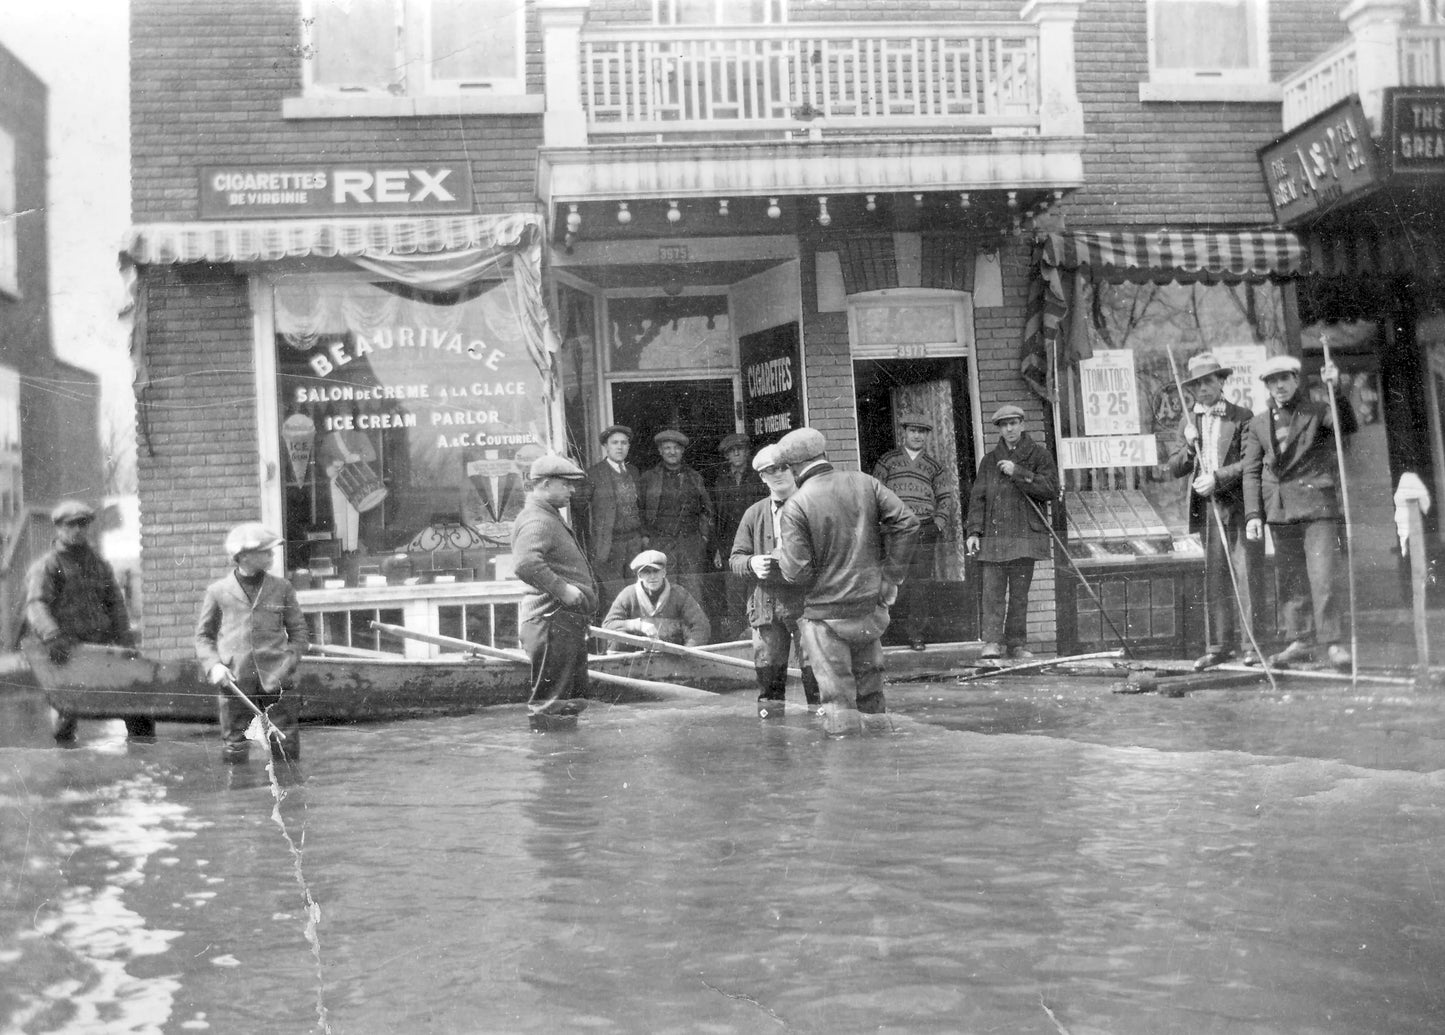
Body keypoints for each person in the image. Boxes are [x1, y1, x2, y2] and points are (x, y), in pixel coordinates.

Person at [775, 427, 919, 735]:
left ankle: (847, 772)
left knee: (838, 701)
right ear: (824, 454)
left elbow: (797, 573)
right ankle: (881, 763)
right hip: (868, 609)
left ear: (794, 467)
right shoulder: (865, 482)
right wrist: (891, 576)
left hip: (825, 617)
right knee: (873, 697)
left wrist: (782, 559)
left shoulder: (796, 505)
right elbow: (908, 523)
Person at [1242, 353, 1358, 671]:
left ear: (1295, 380)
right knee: (1291, 577)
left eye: (1283, 379)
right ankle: (1300, 641)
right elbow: (1251, 472)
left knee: (1323, 575)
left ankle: (1333, 643)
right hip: (1279, 508)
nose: (1278, 386)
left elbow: (1345, 427)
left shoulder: (1317, 411)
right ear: (1266, 387)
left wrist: (1336, 390)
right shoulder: (1257, 424)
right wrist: (1254, 514)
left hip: (1315, 503)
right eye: (1271, 381)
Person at [1165, 352, 1265, 670]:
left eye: (1209, 381)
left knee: (1247, 574)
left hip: (1237, 506)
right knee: (1216, 579)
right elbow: (1174, 467)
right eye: (1196, 384)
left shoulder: (1242, 416)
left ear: (1221, 381)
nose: (1203, 389)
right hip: (1209, 511)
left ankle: (1252, 646)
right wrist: (1188, 445)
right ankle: (1219, 646)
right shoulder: (1189, 420)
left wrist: (1217, 478)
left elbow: (1250, 463)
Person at [21, 499, 143, 741]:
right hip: (68, 649)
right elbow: (36, 604)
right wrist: (52, 635)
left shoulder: (99, 564)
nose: (78, 530)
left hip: (103, 645)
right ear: (59, 528)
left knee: (134, 705)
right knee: (67, 712)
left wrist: (125, 638)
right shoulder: (48, 565)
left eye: (83, 524)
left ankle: (141, 756)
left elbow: (115, 604)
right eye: (71, 525)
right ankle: (66, 768)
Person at [195, 523, 310, 764]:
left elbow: (299, 633)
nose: (271, 556)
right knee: (234, 749)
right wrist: (214, 665)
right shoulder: (218, 591)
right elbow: (203, 637)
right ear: (244, 556)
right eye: (265, 552)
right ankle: (239, 799)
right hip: (235, 682)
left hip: (276, 681)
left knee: (285, 747)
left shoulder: (282, 588)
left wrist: (288, 663)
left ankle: (290, 799)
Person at [729, 444, 821, 718]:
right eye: (771, 470)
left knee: (815, 670)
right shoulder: (754, 514)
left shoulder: (813, 506)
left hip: (807, 602)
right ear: (762, 477)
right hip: (767, 605)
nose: (779, 474)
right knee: (768, 677)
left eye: (783, 467)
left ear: (793, 470)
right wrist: (752, 563)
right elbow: (736, 558)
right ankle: (773, 748)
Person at [965, 404, 1059, 661]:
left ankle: (1016, 644)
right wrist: (973, 531)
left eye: (1014, 423)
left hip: (1023, 537)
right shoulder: (989, 461)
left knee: (1019, 594)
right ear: (999, 429)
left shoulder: (1039, 456)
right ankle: (992, 642)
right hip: (995, 537)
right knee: (993, 593)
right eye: (1004, 425)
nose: (1009, 429)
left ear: (1022, 424)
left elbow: (1051, 489)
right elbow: (978, 499)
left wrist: (1019, 472)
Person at [511, 454, 599, 729]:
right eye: (566, 484)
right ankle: (553, 766)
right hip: (551, 622)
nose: (572, 490)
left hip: (561, 622)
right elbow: (526, 564)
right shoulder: (537, 519)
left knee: (568, 704)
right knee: (551, 708)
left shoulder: (547, 516)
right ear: (546, 484)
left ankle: (565, 766)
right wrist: (565, 591)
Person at [872, 413, 956, 651]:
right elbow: (874, 493)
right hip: (894, 531)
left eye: (922, 432)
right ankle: (885, 634)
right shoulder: (887, 461)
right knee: (889, 581)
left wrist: (937, 524)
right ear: (904, 432)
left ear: (928, 435)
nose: (917, 435)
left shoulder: (935, 467)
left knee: (919, 584)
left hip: (923, 530)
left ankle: (916, 634)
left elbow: (946, 498)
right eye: (913, 431)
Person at [573, 424, 645, 611]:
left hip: (634, 543)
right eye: (614, 443)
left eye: (624, 443)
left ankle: (635, 638)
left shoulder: (634, 472)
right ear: (606, 446)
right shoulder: (594, 474)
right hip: (608, 545)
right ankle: (616, 639)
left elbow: (642, 508)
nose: (620, 447)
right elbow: (578, 504)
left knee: (637, 594)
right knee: (615, 598)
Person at [640, 429, 714, 605]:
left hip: (690, 543)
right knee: (664, 589)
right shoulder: (649, 478)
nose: (672, 452)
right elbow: (639, 509)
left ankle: (694, 631)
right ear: (660, 451)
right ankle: (668, 632)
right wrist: (646, 537)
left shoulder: (695, 477)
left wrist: (703, 536)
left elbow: (707, 509)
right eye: (667, 448)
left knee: (693, 590)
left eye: (676, 448)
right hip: (661, 543)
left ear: (682, 451)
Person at [711, 432, 767, 638]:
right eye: (731, 451)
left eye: (740, 449)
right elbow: (716, 517)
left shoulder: (758, 478)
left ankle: (759, 636)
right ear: (726, 456)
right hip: (730, 546)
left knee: (757, 594)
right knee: (734, 597)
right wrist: (717, 548)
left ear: (747, 452)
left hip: (756, 543)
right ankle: (738, 639)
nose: (736, 453)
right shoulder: (721, 481)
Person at [602, 549, 710, 649]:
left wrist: (687, 651)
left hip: (673, 657)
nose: (652, 577)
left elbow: (702, 626)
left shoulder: (679, 594)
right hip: (636, 659)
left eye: (656, 571)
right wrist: (637, 625)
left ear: (664, 573)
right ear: (640, 575)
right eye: (647, 572)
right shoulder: (628, 595)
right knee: (616, 639)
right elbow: (608, 625)